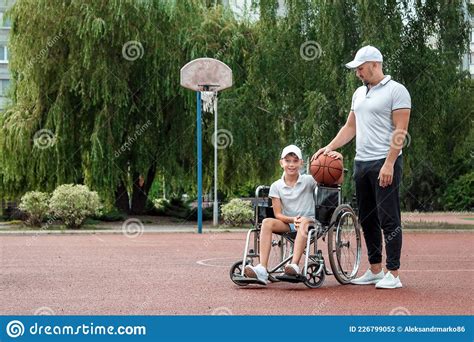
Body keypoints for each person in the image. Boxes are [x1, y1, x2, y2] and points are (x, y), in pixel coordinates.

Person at [312, 45, 411, 289]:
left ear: (375, 64)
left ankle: (394, 273)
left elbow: (400, 131)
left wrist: (389, 163)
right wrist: (329, 147)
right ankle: (375, 269)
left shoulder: (397, 91)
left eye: (361, 68)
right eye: (356, 69)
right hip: (361, 163)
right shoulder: (358, 93)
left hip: (384, 162)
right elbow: (350, 127)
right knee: (367, 219)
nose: (358, 73)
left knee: (389, 217)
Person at [244, 144, 342, 284]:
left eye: (295, 161)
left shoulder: (310, 180)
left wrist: (340, 161)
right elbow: (278, 214)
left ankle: (294, 265)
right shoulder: (276, 186)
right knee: (266, 222)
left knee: (304, 221)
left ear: (302, 163)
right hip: (289, 223)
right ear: (281, 163)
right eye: (288, 160)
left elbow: (337, 182)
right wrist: (292, 219)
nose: (291, 164)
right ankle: (262, 269)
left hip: (312, 223)